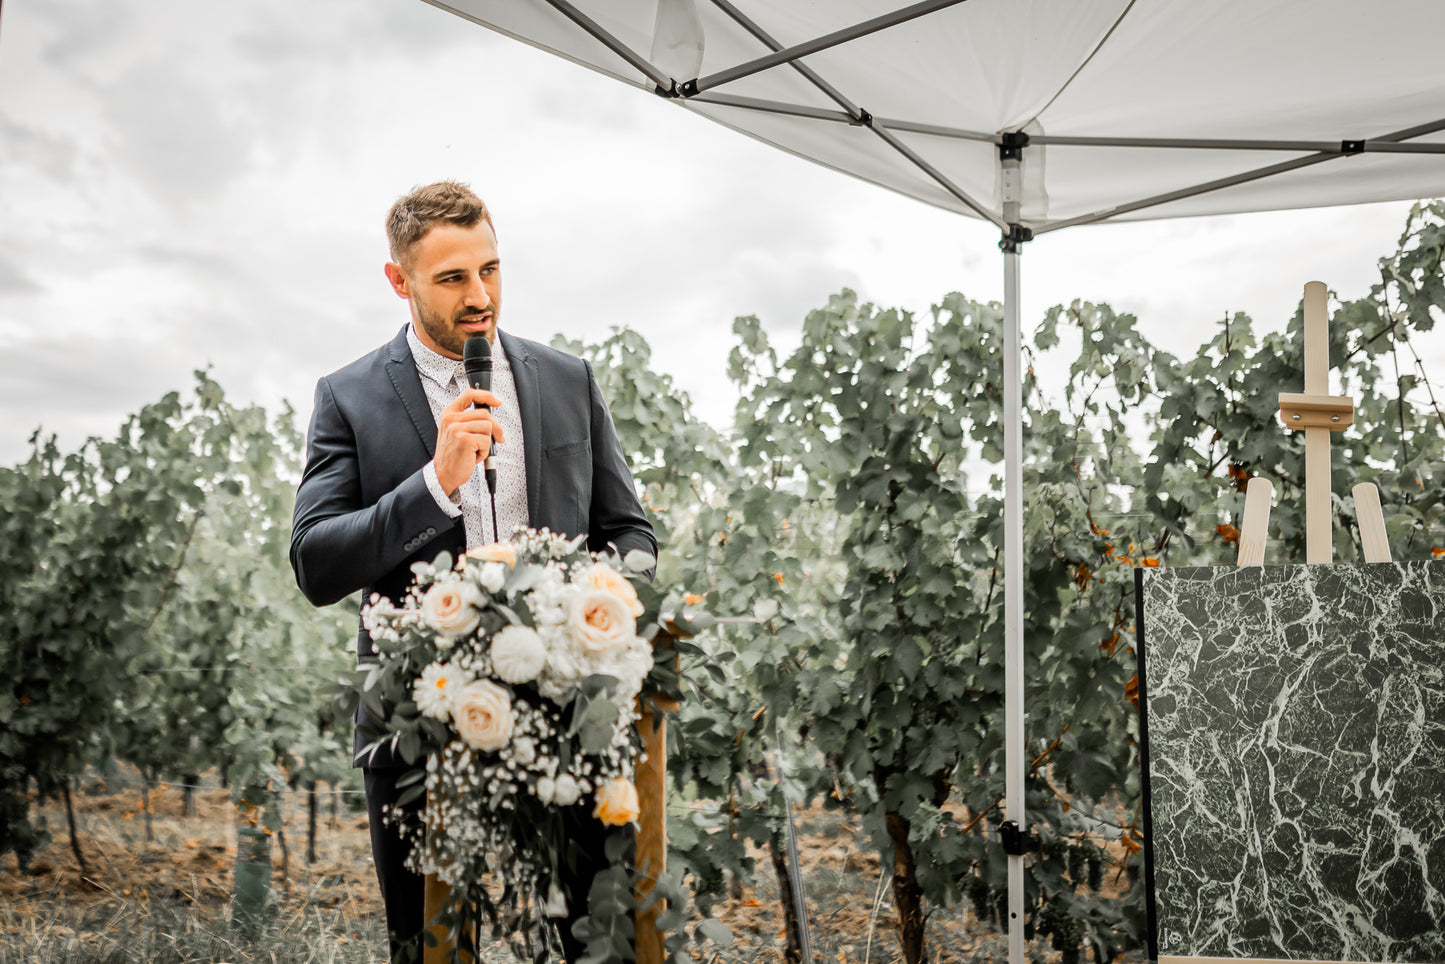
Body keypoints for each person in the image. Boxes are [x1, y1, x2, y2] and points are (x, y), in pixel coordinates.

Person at [289, 180, 656, 961]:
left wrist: (607, 595)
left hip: (568, 713)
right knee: (427, 948)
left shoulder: (566, 379)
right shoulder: (347, 398)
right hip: (415, 719)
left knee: (599, 942)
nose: (480, 295)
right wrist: (434, 484)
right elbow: (316, 563)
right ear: (400, 281)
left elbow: (628, 530)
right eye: (452, 278)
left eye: (490, 270)